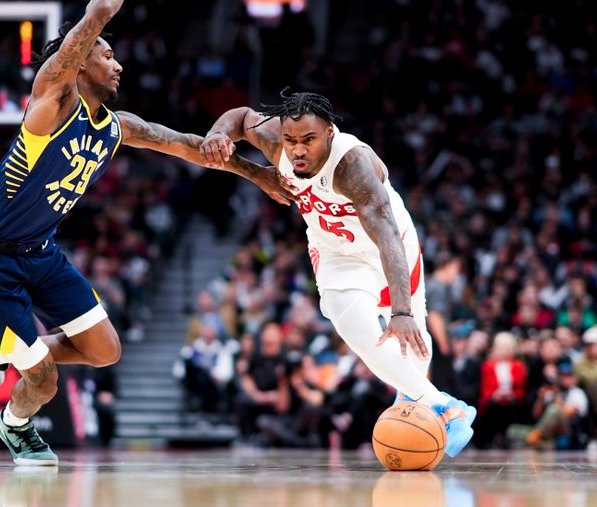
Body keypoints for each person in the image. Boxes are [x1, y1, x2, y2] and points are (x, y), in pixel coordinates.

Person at [0, 0, 294, 466]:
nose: (118, 64)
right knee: (43, 379)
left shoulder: (118, 126)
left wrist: (258, 173)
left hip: (41, 254)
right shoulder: (50, 99)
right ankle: (16, 423)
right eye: (107, 55)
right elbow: (91, 23)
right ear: (83, 58)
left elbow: (189, 145)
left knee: (105, 350)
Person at [199, 89, 476, 456]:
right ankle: (445, 407)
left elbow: (387, 232)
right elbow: (241, 116)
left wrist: (402, 311)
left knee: (413, 343)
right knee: (356, 329)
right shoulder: (275, 141)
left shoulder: (353, 163)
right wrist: (218, 132)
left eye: (308, 140)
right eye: (291, 140)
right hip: (334, 250)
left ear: (329, 132)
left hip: (388, 244)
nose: (297, 150)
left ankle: (414, 400)